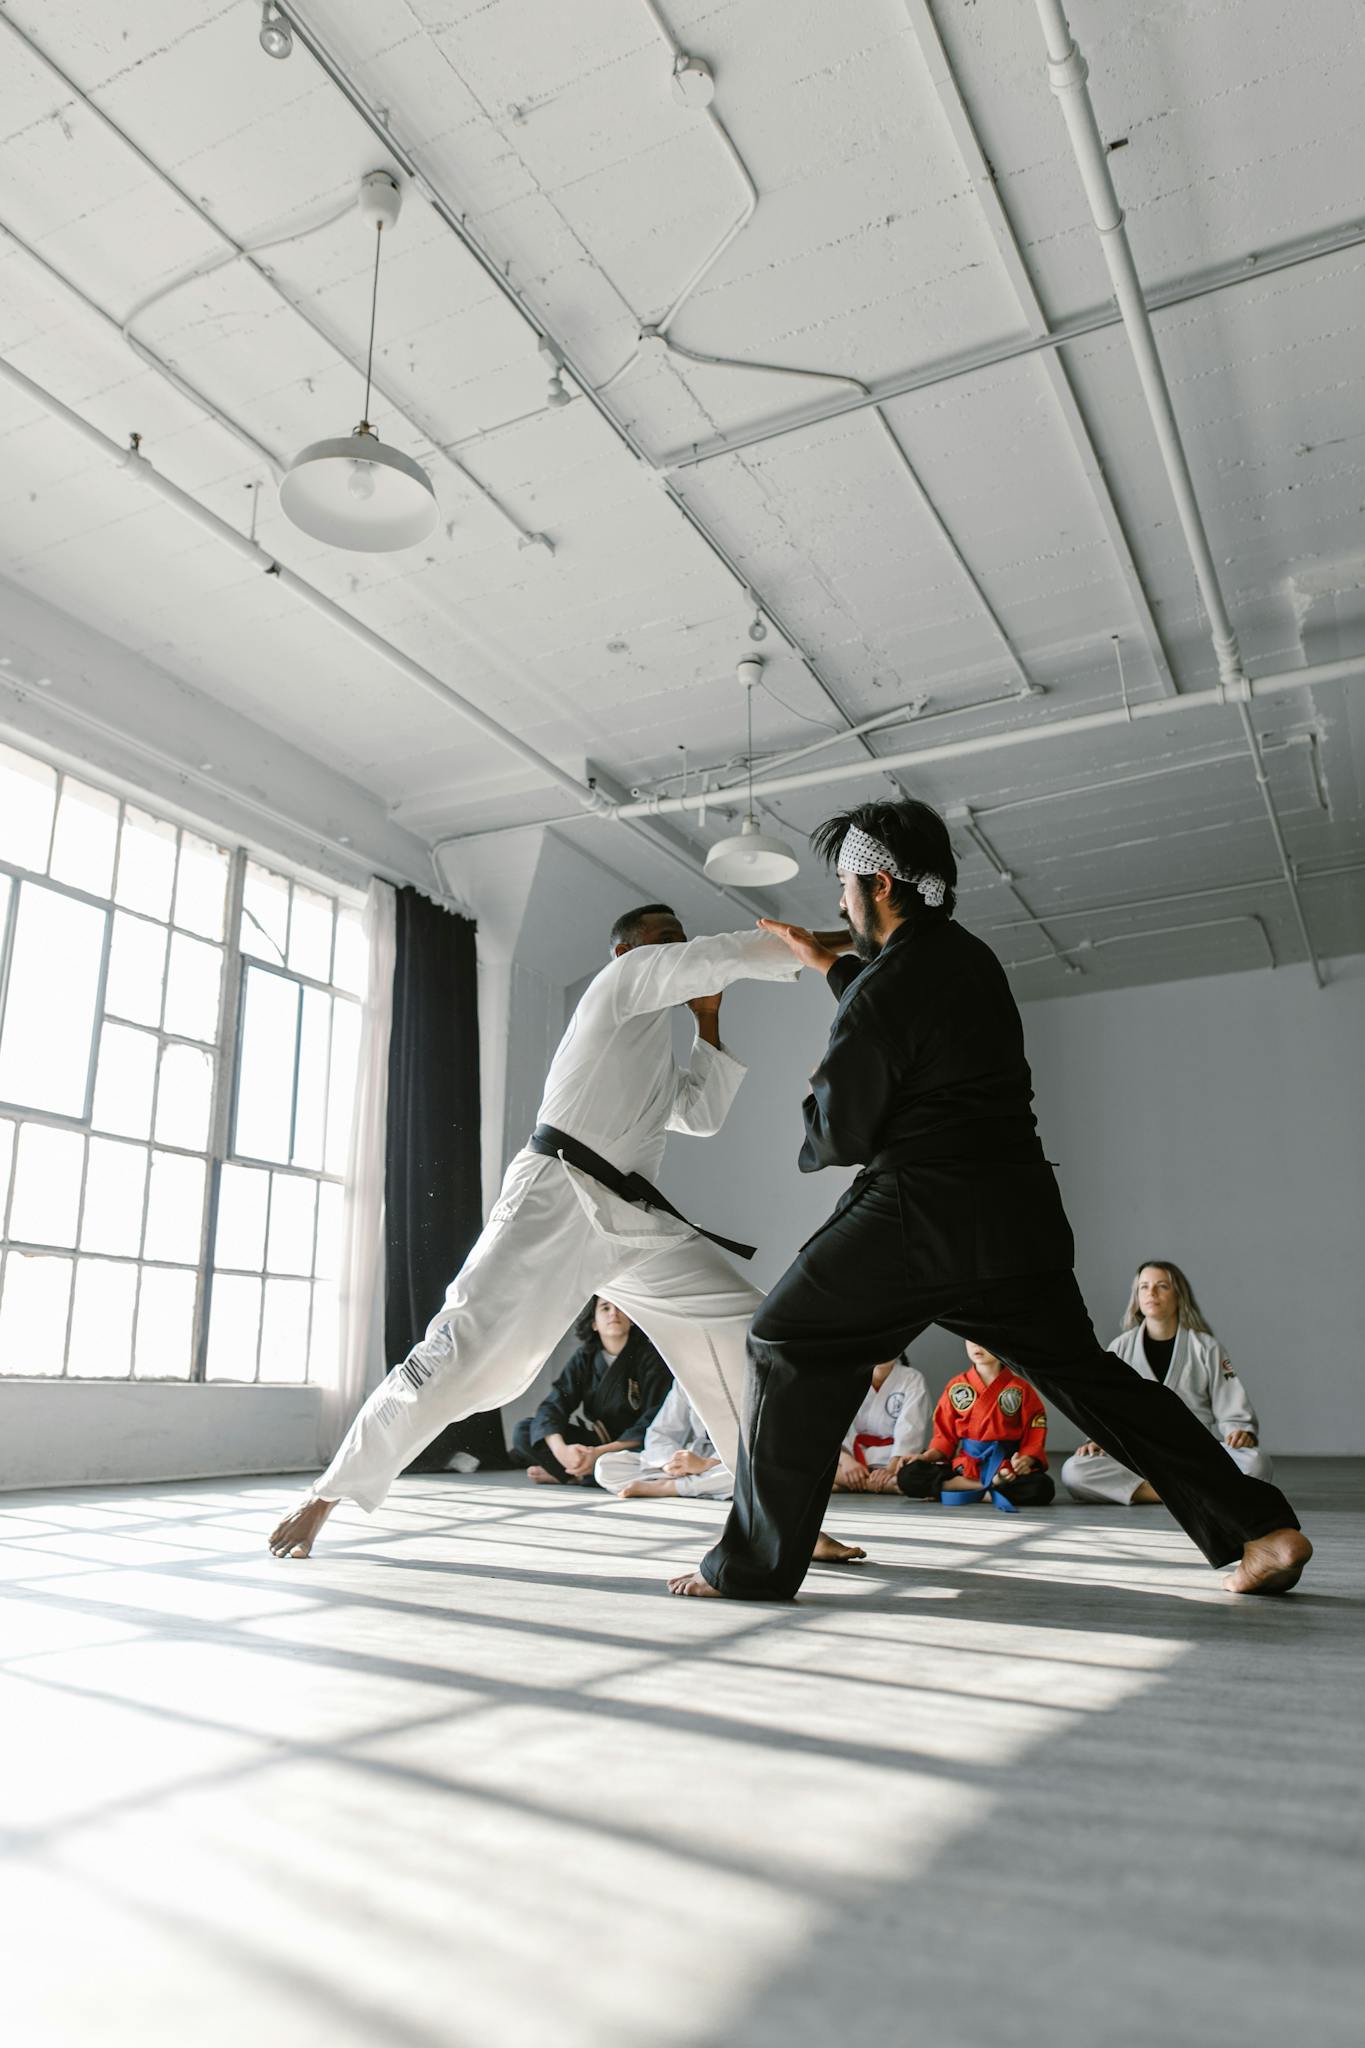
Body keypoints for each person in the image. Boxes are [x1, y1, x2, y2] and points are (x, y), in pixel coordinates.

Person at [668, 799, 1309, 1601]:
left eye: (842, 887)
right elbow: (905, 1007)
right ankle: (1261, 1530)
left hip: (918, 1211)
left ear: (875, 883)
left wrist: (814, 1095)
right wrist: (827, 963)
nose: (836, 907)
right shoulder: (969, 959)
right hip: (1018, 1216)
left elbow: (840, 1138)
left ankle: (754, 1569)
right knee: (1091, 1379)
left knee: (783, 1340)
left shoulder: (880, 991)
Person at [269, 903, 862, 1566]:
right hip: (552, 1198)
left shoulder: (645, 1037)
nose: (674, 948)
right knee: (455, 1350)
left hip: (631, 1222)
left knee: (747, 1333)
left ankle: (783, 1520)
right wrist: (852, 939)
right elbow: (726, 955)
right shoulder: (618, 988)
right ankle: (328, 1493)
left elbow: (699, 1114)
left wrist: (705, 1020)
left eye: (676, 940)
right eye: (661, 939)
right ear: (625, 953)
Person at [1062, 1260, 1272, 1506]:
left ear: (1179, 1295)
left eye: (1161, 1286)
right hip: (1139, 1453)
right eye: (1144, 1287)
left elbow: (1230, 1401)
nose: (1151, 1293)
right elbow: (1104, 1406)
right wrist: (1097, 1438)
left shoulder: (1205, 1347)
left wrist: (1239, 1429)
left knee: (1256, 1463)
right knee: (1074, 1471)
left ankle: (1175, 1489)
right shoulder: (1120, 1348)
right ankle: (1181, 1493)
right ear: (1137, 1297)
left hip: (1196, 1452)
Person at [510, 1297, 671, 1485]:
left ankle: (573, 1476)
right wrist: (561, 1451)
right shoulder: (585, 1358)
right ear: (594, 1323)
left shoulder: (651, 1358)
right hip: (597, 1443)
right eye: (605, 1308)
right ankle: (582, 1473)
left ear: (632, 1318)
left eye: (619, 1307)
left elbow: (655, 1418)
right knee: (524, 1431)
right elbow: (554, 1405)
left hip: (636, 1446)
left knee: (658, 1460)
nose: (613, 1313)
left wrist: (599, 1453)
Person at [896, 1341, 1054, 1510]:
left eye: (984, 1341)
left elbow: (1034, 1432)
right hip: (965, 1468)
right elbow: (945, 1438)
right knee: (908, 1476)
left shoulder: (1020, 1388)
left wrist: (1026, 1459)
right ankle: (986, 1488)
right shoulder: (956, 1386)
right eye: (971, 1340)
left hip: (1004, 1465)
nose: (976, 1346)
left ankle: (964, 1487)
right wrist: (925, 1457)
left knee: (1043, 1487)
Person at [596, 1379, 733, 1500]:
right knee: (606, 1467)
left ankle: (668, 1487)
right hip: (693, 1463)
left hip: (730, 1463)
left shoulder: (745, 1375)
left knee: (745, 1476)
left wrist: (707, 1464)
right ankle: (700, 1485)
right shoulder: (685, 1378)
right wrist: (672, 1463)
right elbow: (661, 1432)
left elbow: (747, 1445)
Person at [833, 1354, 931, 1491]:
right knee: (817, 1465)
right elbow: (833, 1427)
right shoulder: (848, 1378)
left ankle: (849, 1485)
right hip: (853, 1458)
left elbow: (910, 1427)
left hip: (893, 1458)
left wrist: (891, 1469)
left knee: (911, 1477)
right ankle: (878, 1486)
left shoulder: (912, 1378)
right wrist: (845, 1460)